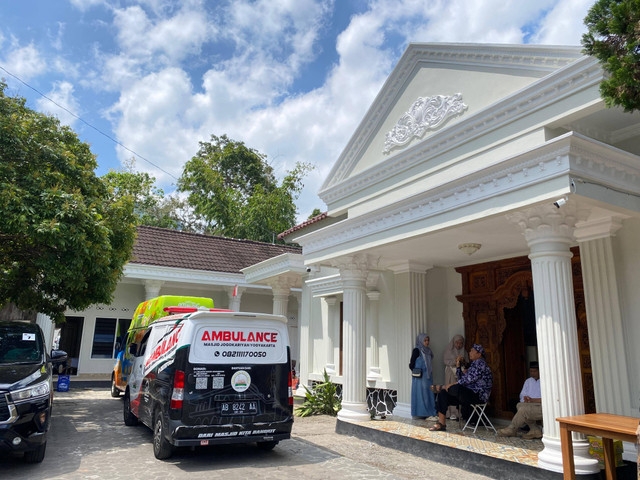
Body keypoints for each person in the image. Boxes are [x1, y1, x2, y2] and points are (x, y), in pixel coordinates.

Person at [429, 343, 492, 431]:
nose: (470, 352)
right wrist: (458, 366)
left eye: (472, 351)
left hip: (478, 396)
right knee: (443, 394)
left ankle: (443, 387)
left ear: (479, 354)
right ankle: (441, 424)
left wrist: (451, 385)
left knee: (456, 387)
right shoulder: (473, 364)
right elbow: (462, 378)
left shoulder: (481, 364)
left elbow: (468, 380)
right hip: (467, 395)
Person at [497, 361, 543, 439]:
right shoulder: (528, 381)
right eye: (531, 371)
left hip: (542, 406)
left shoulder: (545, 381)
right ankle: (534, 429)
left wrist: (533, 400)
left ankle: (512, 429)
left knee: (523, 410)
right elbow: (522, 395)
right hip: (530, 404)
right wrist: (526, 398)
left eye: (535, 371)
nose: (532, 373)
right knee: (519, 405)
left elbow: (547, 399)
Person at [409, 333, 437, 419]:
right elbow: (411, 364)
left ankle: (430, 412)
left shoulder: (428, 350)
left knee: (428, 393)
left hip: (428, 376)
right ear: (421, 341)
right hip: (420, 377)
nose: (427, 342)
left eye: (428, 340)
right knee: (421, 394)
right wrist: (418, 370)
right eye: (425, 340)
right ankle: (421, 413)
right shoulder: (417, 350)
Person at [443, 334, 469, 420]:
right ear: (454, 343)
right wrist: (455, 361)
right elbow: (445, 361)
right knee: (451, 390)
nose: (459, 345)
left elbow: (467, 363)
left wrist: (462, 361)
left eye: (461, 343)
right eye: (457, 343)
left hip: (460, 373)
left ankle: (459, 412)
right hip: (450, 372)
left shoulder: (464, 352)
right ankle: (450, 412)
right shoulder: (449, 350)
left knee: (459, 391)